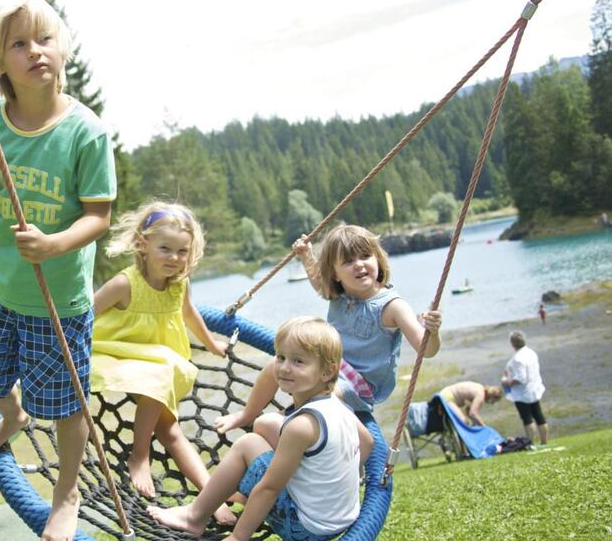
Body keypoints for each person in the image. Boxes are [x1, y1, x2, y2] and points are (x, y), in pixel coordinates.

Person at [0, 0, 117, 540]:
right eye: (19, 44)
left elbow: (99, 216)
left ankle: (66, 494)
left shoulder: (84, 131)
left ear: (62, 49)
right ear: (0, 64)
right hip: (0, 286)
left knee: (67, 408)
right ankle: (12, 417)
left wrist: (54, 245)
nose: (34, 51)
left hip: (59, 300)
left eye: (44, 39)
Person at [148, 317, 374, 541]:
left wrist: (238, 537)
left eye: (298, 362)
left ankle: (194, 517)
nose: (285, 368)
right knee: (266, 424)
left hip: (305, 528)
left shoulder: (302, 426)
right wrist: (331, 478)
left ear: (326, 372)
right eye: (281, 357)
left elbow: (269, 489)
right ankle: (234, 496)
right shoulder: (339, 407)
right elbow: (367, 442)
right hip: (342, 518)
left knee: (247, 444)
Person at [216, 224, 443, 434]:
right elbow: (318, 282)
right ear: (336, 274)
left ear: (378, 259)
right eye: (348, 261)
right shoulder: (339, 295)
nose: (359, 264)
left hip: (359, 385)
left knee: (321, 393)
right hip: (330, 367)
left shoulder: (392, 307)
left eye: (365, 256)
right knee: (275, 367)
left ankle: (292, 423)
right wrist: (307, 256)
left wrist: (433, 331)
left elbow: (427, 350)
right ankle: (247, 414)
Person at [89, 201, 234, 523]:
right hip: (115, 353)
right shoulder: (125, 284)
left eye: (182, 251)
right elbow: (85, 318)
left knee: (171, 431)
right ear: (143, 243)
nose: (174, 258)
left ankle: (211, 498)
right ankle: (139, 454)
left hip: (156, 361)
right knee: (160, 371)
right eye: (165, 248)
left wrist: (212, 344)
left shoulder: (180, 283)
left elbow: (189, 313)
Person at [501, 331, 549, 446]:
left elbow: (521, 378)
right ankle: (544, 442)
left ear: (512, 343)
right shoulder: (531, 353)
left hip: (523, 394)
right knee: (539, 416)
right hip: (534, 388)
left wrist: (507, 383)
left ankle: (531, 443)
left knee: (527, 419)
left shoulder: (518, 358)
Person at [438, 381, 503, 427]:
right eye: (493, 401)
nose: (492, 403)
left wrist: (474, 424)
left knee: (466, 423)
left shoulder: (480, 387)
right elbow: (473, 414)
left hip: (445, 392)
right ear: (492, 397)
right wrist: (484, 426)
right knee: (463, 421)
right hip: (447, 398)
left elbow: (468, 411)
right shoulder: (480, 395)